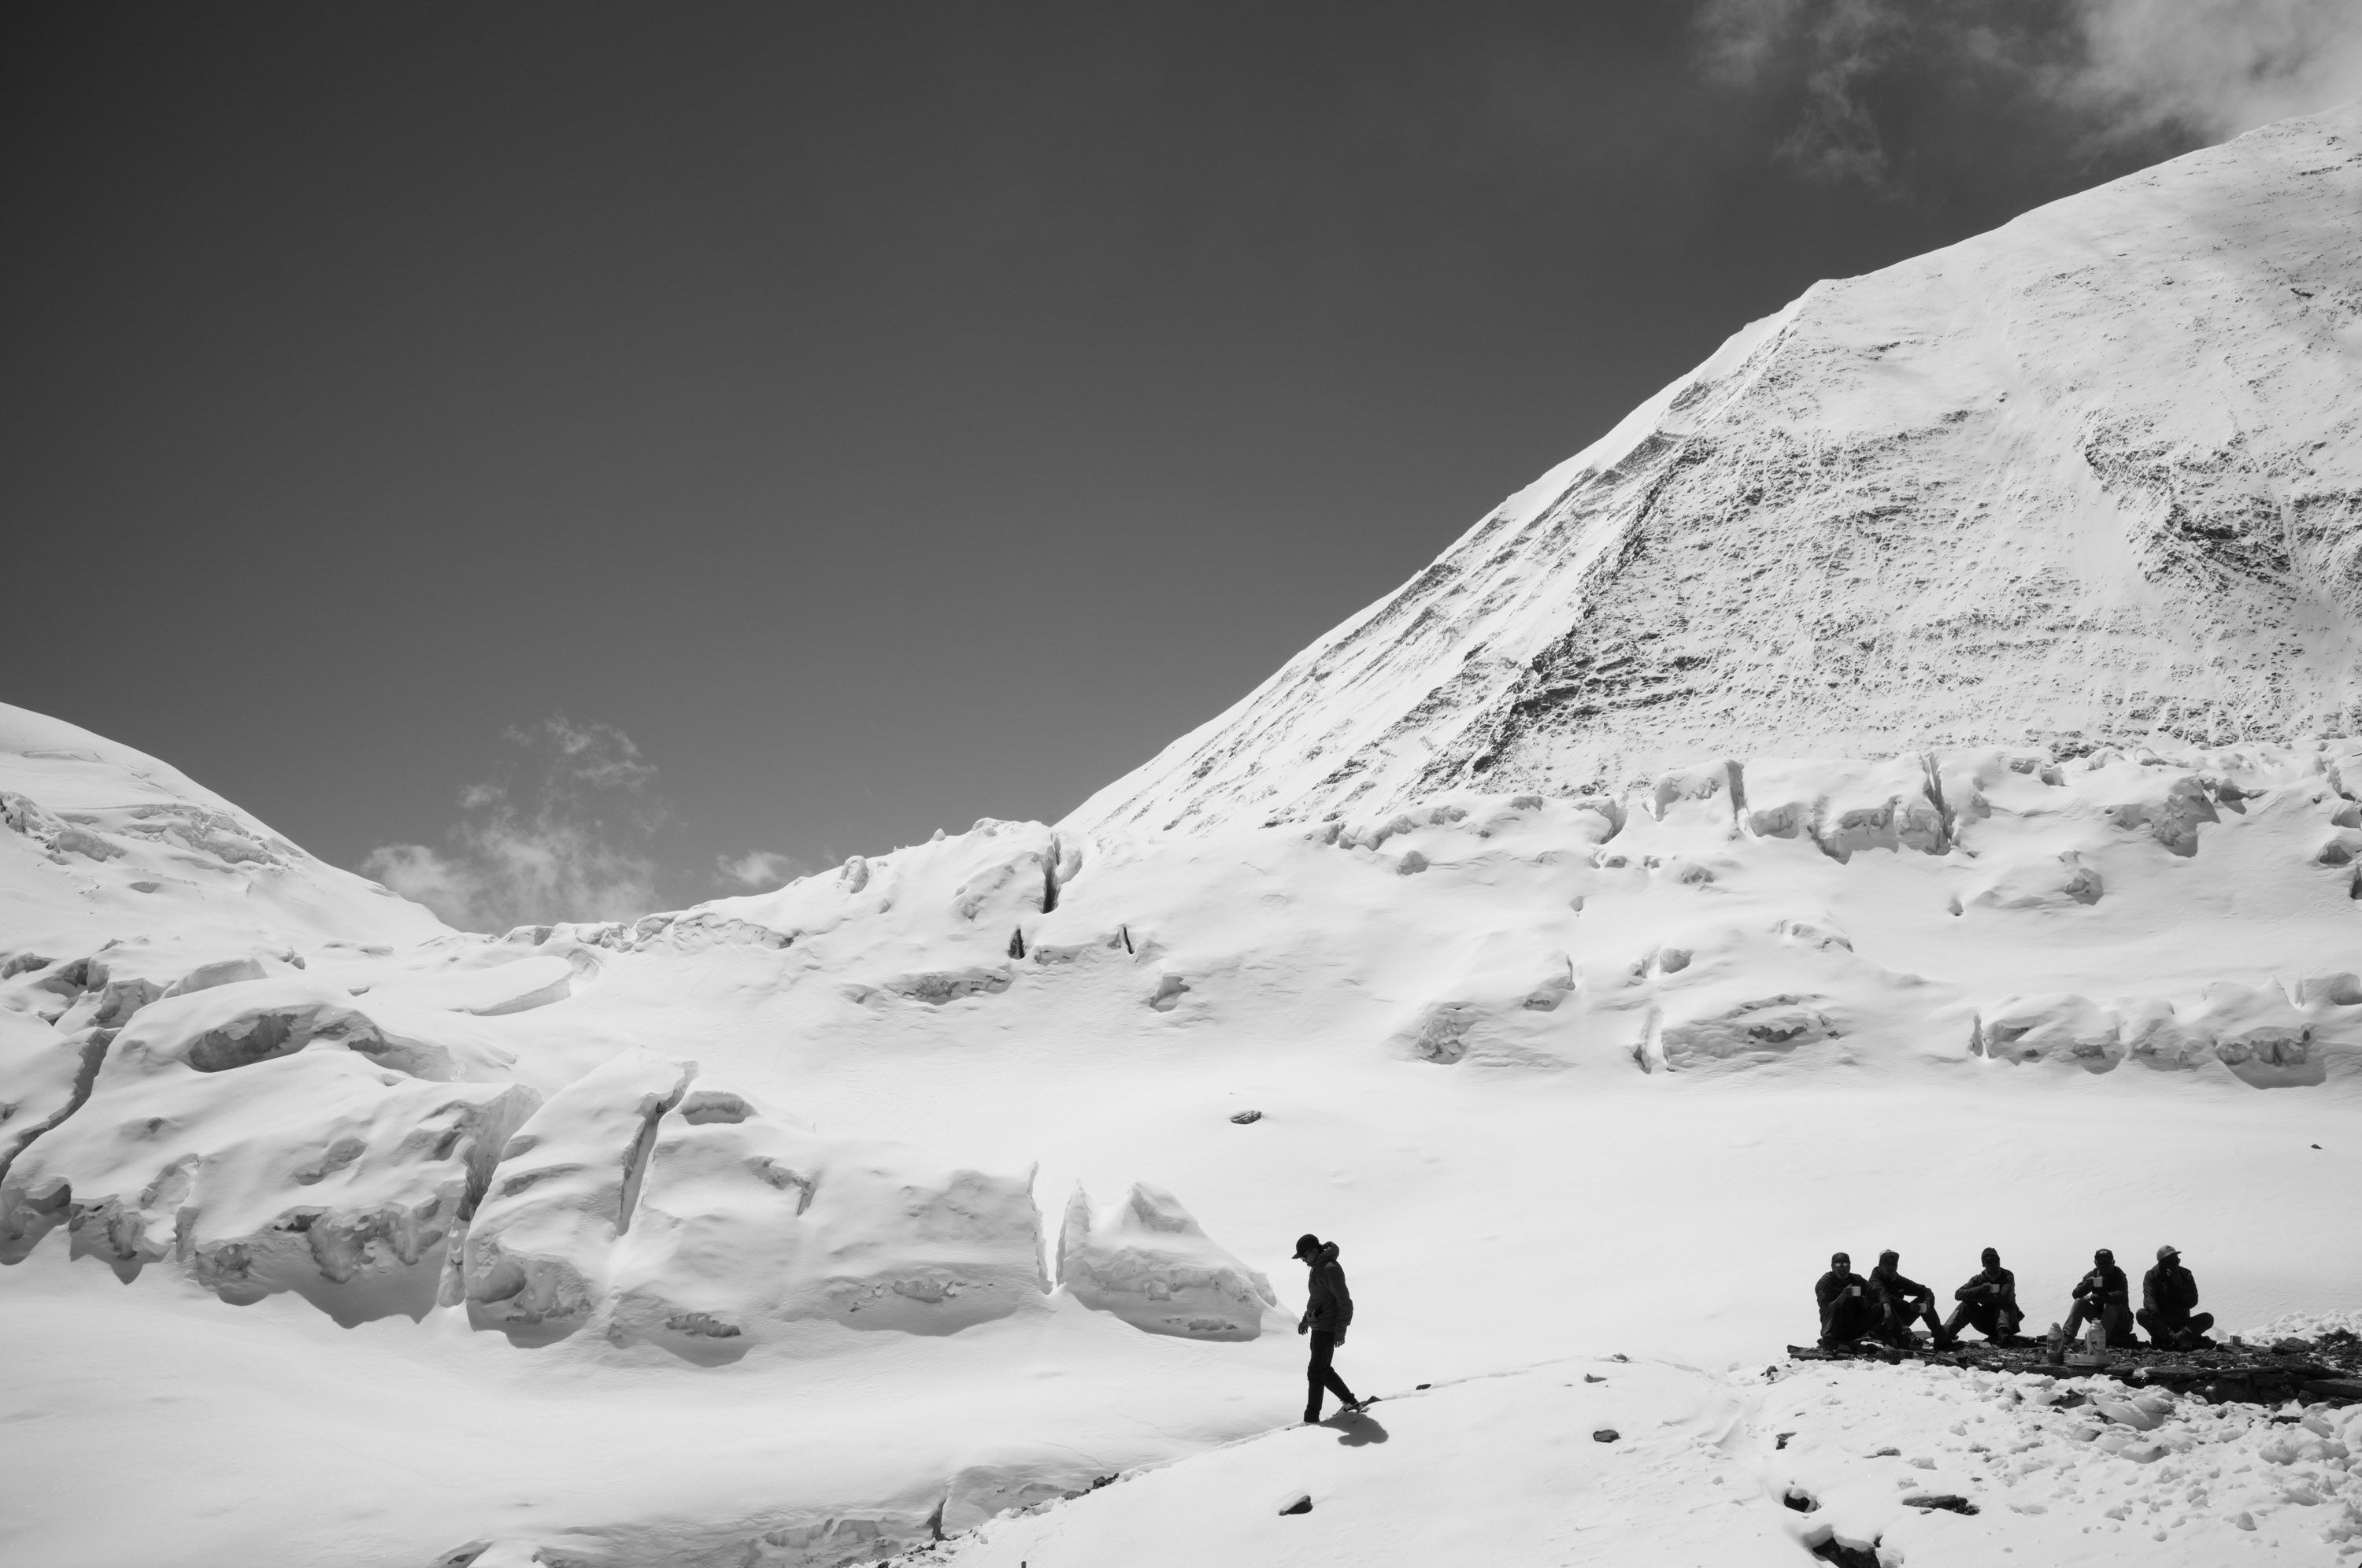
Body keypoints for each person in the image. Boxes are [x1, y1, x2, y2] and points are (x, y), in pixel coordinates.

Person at [1294, 1233, 1364, 1424]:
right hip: (1318, 1326)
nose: (1303, 1261)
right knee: (1323, 1370)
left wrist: (1341, 1330)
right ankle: (1350, 1402)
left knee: (1315, 1372)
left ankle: (1311, 1419)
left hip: (1327, 1327)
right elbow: (1318, 1298)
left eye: (1304, 1256)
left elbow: (1345, 1302)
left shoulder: (1330, 1269)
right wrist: (1306, 1319)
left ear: (1313, 1251)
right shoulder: (1317, 1267)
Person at [1869, 1249, 1954, 1350]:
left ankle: (1942, 1340)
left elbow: (1925, 1290)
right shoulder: (1874, 1281)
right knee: (1887, 1305)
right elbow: (1884, 1295)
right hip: (1879, 1324)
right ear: (1880, 1265)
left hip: (1899, 1322)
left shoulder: (1898, 1280)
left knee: (1923, 1301)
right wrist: (1910, 1306)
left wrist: (1928, 1305)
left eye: (1894, 1263)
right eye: (1886, 1262)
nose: (1891, 1266)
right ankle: (1909, 1339)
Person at [2138, 1244, 2216, 1349]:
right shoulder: (2152, 1275)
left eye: (2177, 1261)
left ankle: (2173, 1340)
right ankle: (2180, 1340)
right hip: (2162, 1322)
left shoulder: (2185, 1274)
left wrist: (2179, 1284)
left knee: (2207, 1318)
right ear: (2161, 1262)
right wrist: (2156, 1316)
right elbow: (2149, 1299)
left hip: (2183, 1322)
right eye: (2171, 1262)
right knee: (2141, 1314)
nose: (2174, 1265)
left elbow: (2192, 1302)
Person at [1944, 1248, 2024, 1344]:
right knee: (1966, 1304)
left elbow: (2004, 1298)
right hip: (1987, 1323)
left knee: (2004, 1305)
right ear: (1983, 1264)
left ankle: (2004, 1335)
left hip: (2008, 1324)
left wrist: (1979, 1298)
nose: (1994, 1264)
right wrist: (1980, 1289)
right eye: (1989, 1262)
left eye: (1996, 1261)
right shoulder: (1978, 1279)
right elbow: (1958, 1294)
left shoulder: (2007, 1276)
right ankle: (1944, 1335)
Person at [2063, 1248, 2136, 1348]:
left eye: (2107, 1262)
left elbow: (2119, 1296)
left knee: (2111, 1304)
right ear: (2095, 1263)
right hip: (2100, 1320)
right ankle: (2068, 1336)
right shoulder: (2092, 1275)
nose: (2104, 1266)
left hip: (2121, 1322)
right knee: (2080, 1301)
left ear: (2113, 1262)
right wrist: (2087, 1285)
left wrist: (2094, 1297)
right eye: (2100, 1263)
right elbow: (2076, 1294)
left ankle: (2100, 1339)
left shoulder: (2119, 1276)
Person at [1816, 1252, 1877, 1349]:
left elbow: (1874, 1291)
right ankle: (1828, 1344)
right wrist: (1843, 1296)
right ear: (1832, 1266)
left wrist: (1862, 1300)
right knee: (1833, 1307)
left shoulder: (1857, 1279)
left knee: (1879, 1307)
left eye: (1845, 1264)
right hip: (1836, 1329)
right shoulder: (1825, 1282)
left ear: (1849, 1266)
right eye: (1838, 1264)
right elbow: (1826, 1309)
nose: (1842, 1267)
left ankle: (1882, 1335)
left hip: (1855, 1326)